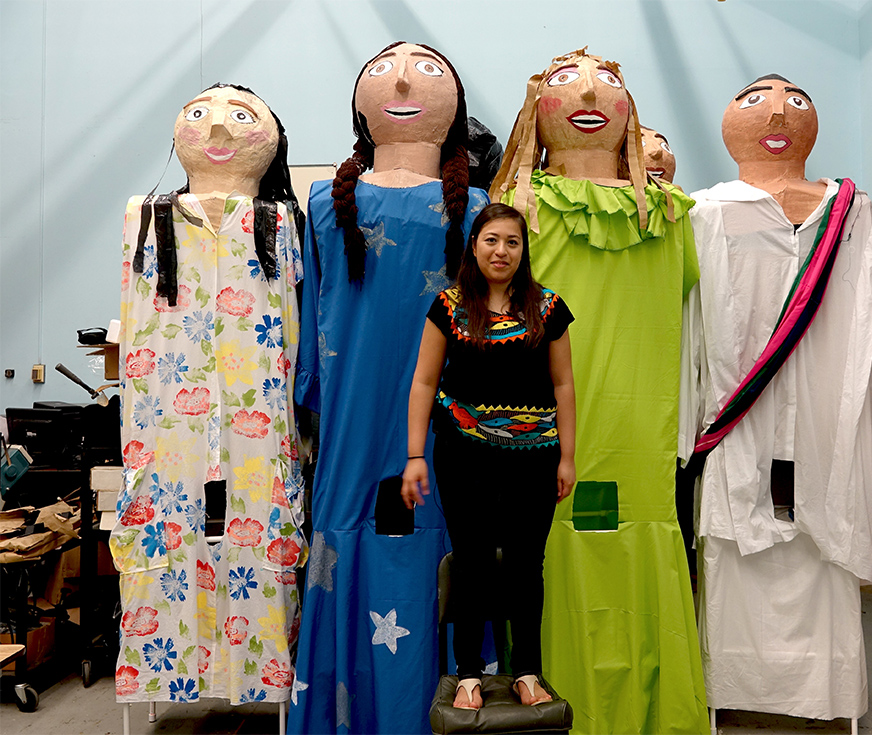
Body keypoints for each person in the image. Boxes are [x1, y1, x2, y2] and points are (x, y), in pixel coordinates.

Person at [490, 48, 709, 733]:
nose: (588, 91)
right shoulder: (519, 207)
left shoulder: (669, 215)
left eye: (607, 81)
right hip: (542, 436)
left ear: (629, 112)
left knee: (630, 537)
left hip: (639, 434)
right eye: (564, 81)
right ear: (537, 110)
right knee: (548, 553)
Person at [288, 43, 488, 734]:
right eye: (386, 67)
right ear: (359, 104)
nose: (403, 77)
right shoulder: (320, 204)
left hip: (453, 427)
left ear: (456, 103)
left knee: (448, 543)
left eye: (427, 67)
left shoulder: (480, 209)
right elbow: (313, 316)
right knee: (349, 537)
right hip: (353, 422)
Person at [683, 74, 872, 721]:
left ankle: (828, 696)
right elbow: (693, 325)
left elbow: (865, 324)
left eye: (794, 98)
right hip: (740, 413)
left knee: (821, 541)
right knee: (741, 548)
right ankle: (736, 693)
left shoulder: (848, 210)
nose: (777, 109)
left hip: (828, 413)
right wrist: (688, 424)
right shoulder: (709, 211)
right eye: (757, 97)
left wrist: (870, 423)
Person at [113, 84, 306, 706]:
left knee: (263, 524)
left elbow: (296, 324)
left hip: (260, 400)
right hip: (167, 401)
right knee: (161, 531)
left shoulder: (281, 223)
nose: (219, 130)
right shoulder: (144, 216)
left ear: (270, 136)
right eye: (201, 114)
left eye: (239, 116)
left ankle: (258, 676)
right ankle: (162, 672)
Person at [401, 202, 576, 711]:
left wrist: (567, 456)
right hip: (463, 456)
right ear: (474, 246)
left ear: (524, 251)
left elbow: (563, 384)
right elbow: (424, 382)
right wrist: (415, 456)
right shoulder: (448, 306)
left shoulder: (548, 308)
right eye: (492, 240)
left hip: (535, 458)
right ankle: (468, 675)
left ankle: (527, 672)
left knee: (527, 564)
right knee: (473, 562)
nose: (502, 251)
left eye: (513, 242)